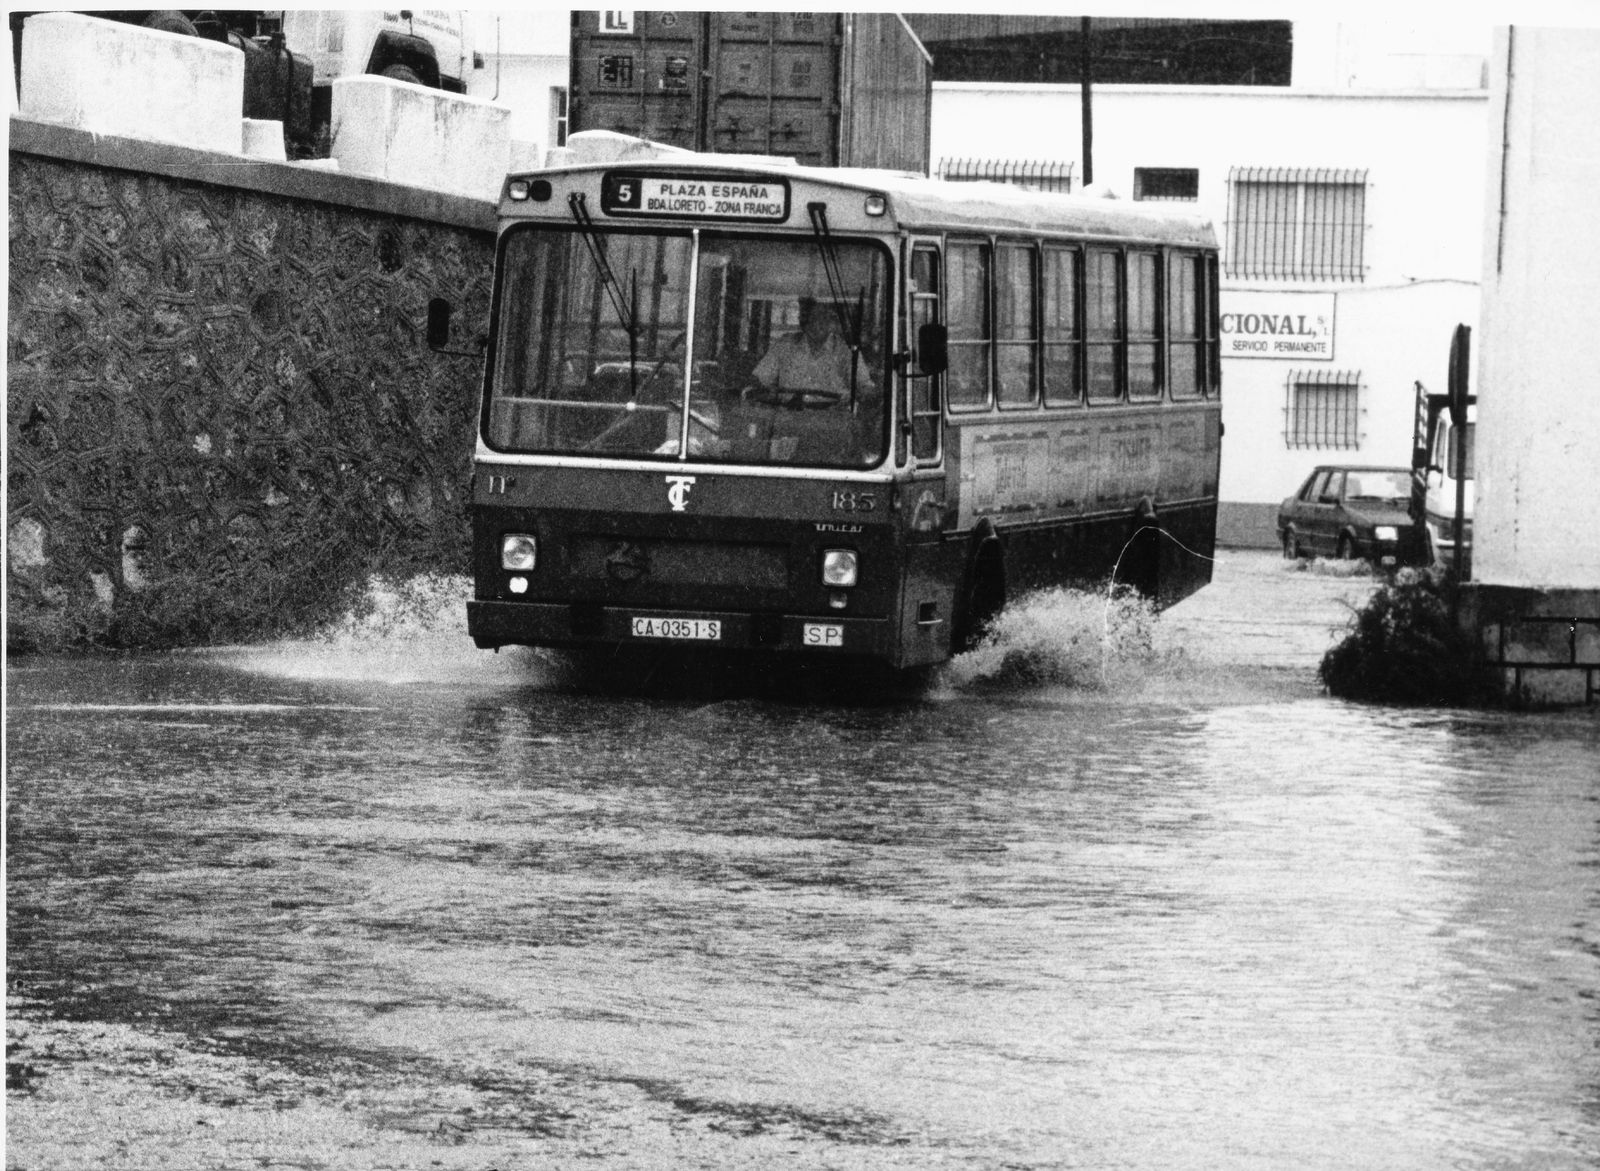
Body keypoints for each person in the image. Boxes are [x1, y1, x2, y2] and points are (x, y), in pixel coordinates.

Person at [750, 297, 853, 404]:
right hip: (787, 414)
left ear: (833, 322)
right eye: (811, 317)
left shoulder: (845, 351)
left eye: (823, 317)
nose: (816, 323)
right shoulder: (784, 345)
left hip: (833, 416)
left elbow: (863, 386)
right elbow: (760, 379)